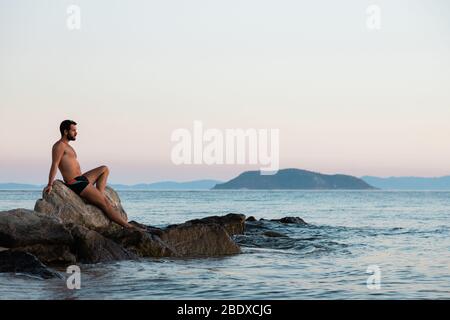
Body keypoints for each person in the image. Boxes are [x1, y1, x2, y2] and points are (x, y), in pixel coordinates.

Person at [44, 120, 143, 231]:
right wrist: (50, 184)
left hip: (81, 179)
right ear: (66, 131)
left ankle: (99, 195)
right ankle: (128, 227)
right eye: (73, 130)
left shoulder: (67, 146)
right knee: (106, 203)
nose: (76, 133)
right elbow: (55, 164)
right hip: (75, 182)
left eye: (76, 130)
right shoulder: (59, 146)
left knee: (104, 169)